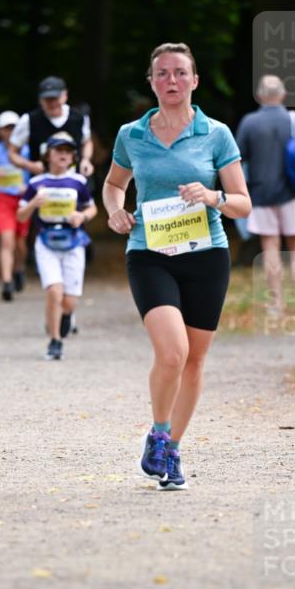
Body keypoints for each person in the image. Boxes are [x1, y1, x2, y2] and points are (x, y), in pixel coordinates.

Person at [103, 42, 251, 490]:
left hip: (206, 254)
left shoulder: (217, 133)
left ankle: (170, 448)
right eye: (162, 73)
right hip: (150, 252)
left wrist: (212, 197)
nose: (171, 81)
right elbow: (113, 184)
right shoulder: (133, 134)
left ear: (195, 80)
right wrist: (114, 209)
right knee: (172, 352)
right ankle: (160, 430)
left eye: (180, 73)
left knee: (195, 360)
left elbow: (243, 204)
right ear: (151, 82)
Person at [236, 75, 295, 319]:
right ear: (282, 95)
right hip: (293, 191)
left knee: (270, 246)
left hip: (261, 193)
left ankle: (276, 304)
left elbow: (238, 159)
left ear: (260, 96)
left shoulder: (249, 122)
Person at [17, 132, 97, 360]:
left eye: (68, 151)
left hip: (73, 242)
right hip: (46, 241)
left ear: (73, 156)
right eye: (58, 151)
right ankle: (54, 341)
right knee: (54, 291)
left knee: (70, 300)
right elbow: (21, 216)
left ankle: (64, 315)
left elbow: (91, 208)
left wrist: (81, 217)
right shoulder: (35, 183)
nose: (63, 155)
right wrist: (33, 203)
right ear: (48, 155)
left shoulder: (79, 182)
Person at [0, 111, 30, 301]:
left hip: (24, 200)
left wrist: (29, 186)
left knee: (20, 243)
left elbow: (38, 171)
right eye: (7, 128)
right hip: (3, 199)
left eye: (14, 128)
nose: (10, 132)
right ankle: (7, 281)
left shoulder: (26, 150)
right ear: (0, 131)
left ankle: (19, 268)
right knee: (6, 240)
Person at [8, 76, 94, 179]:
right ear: (40, 100)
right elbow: (12, 153)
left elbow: (87, 142)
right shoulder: (29, 120)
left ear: (65, 95)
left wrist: (86, 160)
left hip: (74, 182)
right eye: (48, 99)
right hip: (41, 185)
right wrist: (30, 165)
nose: (52, 103)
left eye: (55, 98)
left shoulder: (79, 118)